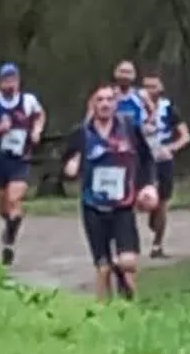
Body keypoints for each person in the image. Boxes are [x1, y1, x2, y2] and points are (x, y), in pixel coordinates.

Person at [62, 84, 158, 299]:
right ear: (92, 105)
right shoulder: (81, 133)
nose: (105, 104)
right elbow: (66, 162)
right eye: (100, 100)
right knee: (102, 267)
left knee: (128, 263)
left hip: (123, 205)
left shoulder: (129, 127)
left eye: (109, 100)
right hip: (93, 205)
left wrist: (148, 185)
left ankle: (121, 278)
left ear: (116, 104)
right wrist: (70, 167)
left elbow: (147, 159)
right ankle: (104, 311)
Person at [0, 62, 45, 268]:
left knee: (15, 199)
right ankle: (9, 229)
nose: (10, 84)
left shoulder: (28, 101)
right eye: (6, 80)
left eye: (13, 80)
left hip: (21, 159)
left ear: (19, 81)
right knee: (4, 208)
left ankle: (9, 244)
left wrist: (36, 131)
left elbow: (40, 115)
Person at [141, 72, 190, 259]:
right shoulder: (135, 108)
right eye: (146, 86)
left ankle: (157, 246)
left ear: (161, 88)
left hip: (163, 160)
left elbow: (185, 136)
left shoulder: (168, 108)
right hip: (141, 159)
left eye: (153, 86)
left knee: (162, 202)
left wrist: (171, 148)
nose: (150, 90)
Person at [113, 59, 152, 135]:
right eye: (122, 71)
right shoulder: (108, 94)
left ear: (134, 75)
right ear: (116, 73)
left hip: (136, 136)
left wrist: (147, 124)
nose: (125, 76)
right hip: (114, 137)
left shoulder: (141, 94)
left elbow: (153, 112)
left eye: (128, 72)